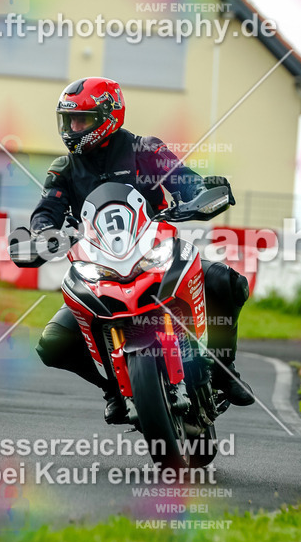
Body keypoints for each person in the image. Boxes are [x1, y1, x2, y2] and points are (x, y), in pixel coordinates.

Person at [29, 77, 254, 423]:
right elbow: (48, 209)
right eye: (70, 120)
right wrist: (43, 232)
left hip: (155, 250)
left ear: (109, 114)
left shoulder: (144, 150)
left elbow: (183, 179)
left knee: (226, 282)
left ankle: (223, 368)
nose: (74, 128)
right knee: (52, 343)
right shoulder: (64, 169)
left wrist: (199, 193)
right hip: (98, 267)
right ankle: (113, 389)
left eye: (83, 120)